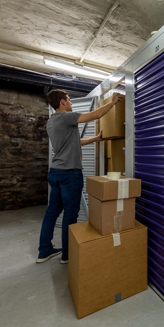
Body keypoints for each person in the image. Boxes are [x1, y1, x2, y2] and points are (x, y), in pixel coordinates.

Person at [37, 89, 122, 264]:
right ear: (62, 102)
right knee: (70, 214)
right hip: (69, 173)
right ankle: (68, 255)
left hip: (55, 172)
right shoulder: (66, 117)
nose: (70, 103)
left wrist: (96, 139)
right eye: (68, 100)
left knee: (52, 212)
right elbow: (96, 114)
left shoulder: (51, 122)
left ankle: (44, 250)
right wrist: (112, 102)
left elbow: (75, 142)